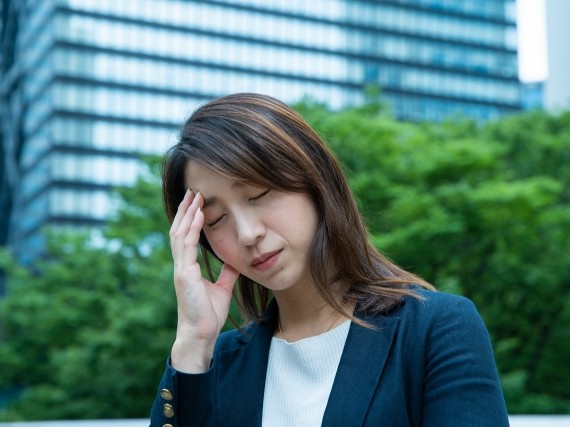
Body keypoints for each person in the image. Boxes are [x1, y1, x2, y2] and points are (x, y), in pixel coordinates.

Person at [149, 93, 509, 426]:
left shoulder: (434, 330)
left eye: (259, 194)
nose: (247, 233)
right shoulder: (215, 364)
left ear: (315, 182)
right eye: (215, 219)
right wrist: (194, 342)